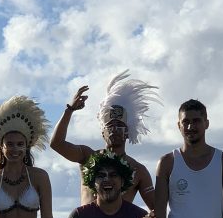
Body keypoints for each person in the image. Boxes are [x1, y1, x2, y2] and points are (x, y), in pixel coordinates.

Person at [50, 71, 159, 207]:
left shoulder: (138, 170)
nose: (114, 129)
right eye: (110, 125)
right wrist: (69, 110)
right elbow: (56, 144)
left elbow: (157, 210)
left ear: (127, 132)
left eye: (119, 125)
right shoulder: (87, 157)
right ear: (103, 132)